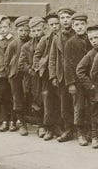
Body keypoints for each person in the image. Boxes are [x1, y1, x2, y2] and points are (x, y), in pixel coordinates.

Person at [48, 7, 77, 142]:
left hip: (76, 76)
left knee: (79, 104)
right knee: (65, 105)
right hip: (62, 76)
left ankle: (83, 131)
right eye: (62, 18)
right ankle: (68, 130)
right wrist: (53, 75)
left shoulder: (77, 35)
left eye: (68, 18)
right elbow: (52, 58)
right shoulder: (57, 38)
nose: (65, 21)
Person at [63, 13, 92, 145]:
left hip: (90, 80)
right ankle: (80, 132)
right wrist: (71, 83)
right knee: (79, 106)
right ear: (73, 27)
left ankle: (91, 132)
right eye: (77, 25)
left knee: (92, 105)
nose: (80, 27)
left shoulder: (91, 39)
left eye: (82, 24)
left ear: (86, 25)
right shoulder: (70, 43)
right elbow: (67, 64)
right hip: (77, 81)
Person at [34, 12, 61, 140]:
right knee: (48, 101)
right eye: (52, 24)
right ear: (48, 26)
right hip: (46, 75)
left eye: (56, 24)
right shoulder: (45, 40)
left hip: (60, 73)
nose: (54, 26)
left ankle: (58, 126)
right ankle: (48, 127)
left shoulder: (63, 38)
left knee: (59, 101)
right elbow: (37, 55)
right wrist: (38, 68)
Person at [17, 17, 45, 136]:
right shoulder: (26, 46)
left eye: (38, 30)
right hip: (32, 78)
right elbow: (21, 64)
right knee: (35, 101)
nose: (36, 33)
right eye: (33, 31)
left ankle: (47, 125)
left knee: (47, 101)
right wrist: (31, 70)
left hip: (46, 77)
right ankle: (40, 126)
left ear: (43, 29)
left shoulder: (48, 42)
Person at [6, 16, 30, 132]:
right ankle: (22, 124)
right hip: (15, 75)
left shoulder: (31, 42)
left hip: (28, 74)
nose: (24, 33)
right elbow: (7, 60)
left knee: (28, 96)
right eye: (21, 30)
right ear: (16, 31)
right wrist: (10, 73)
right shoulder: (13, 44)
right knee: (17, 98)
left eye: (26, 30)